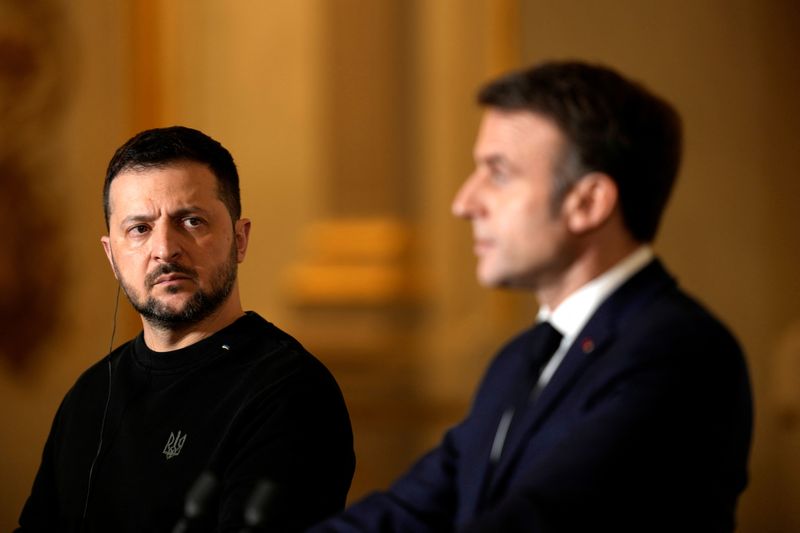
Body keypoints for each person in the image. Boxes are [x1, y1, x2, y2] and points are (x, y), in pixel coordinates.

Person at [309, 61, 752, 532]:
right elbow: (407, 513)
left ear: (588, 202)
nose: (464, 202)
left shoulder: (678, 351)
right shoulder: (519, 359)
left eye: (497, 173)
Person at [17, 126, 355, 532]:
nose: (165, 248)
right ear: (111, 255)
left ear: (240, 239)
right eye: (139, 229)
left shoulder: (290, 391)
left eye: (191, 221)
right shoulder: (89, 395)